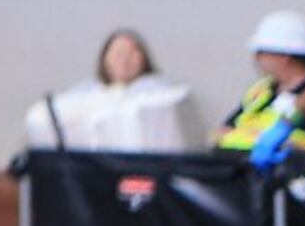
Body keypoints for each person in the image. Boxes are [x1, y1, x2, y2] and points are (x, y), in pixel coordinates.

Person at [27, 28, 196, 154]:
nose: (124, 59)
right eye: (118, 53)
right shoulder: (85, 96)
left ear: (144, 59)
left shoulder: (163, 95)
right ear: (105, 60)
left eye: (132, 53)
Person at [215, 11, 305, 169]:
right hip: (242, 174)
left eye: (262, 52)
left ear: (285, 57)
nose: (256, 58)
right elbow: (224, 131)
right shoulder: (260, 91)